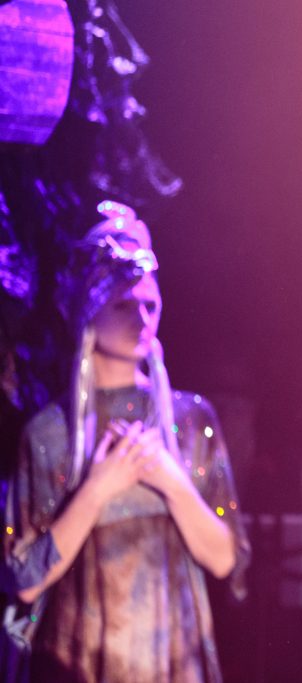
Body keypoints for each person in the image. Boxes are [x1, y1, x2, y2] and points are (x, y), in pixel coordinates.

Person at [2, 200, 249, 682]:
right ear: (89, 310)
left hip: (174, 663)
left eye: (150, 304)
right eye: (122, 304)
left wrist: (174, 483)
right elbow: (25, 580)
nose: (142, 317)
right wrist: (96, 490)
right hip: (79, 662)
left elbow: (224, 559)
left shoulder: (189, 418)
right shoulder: (51, 433)